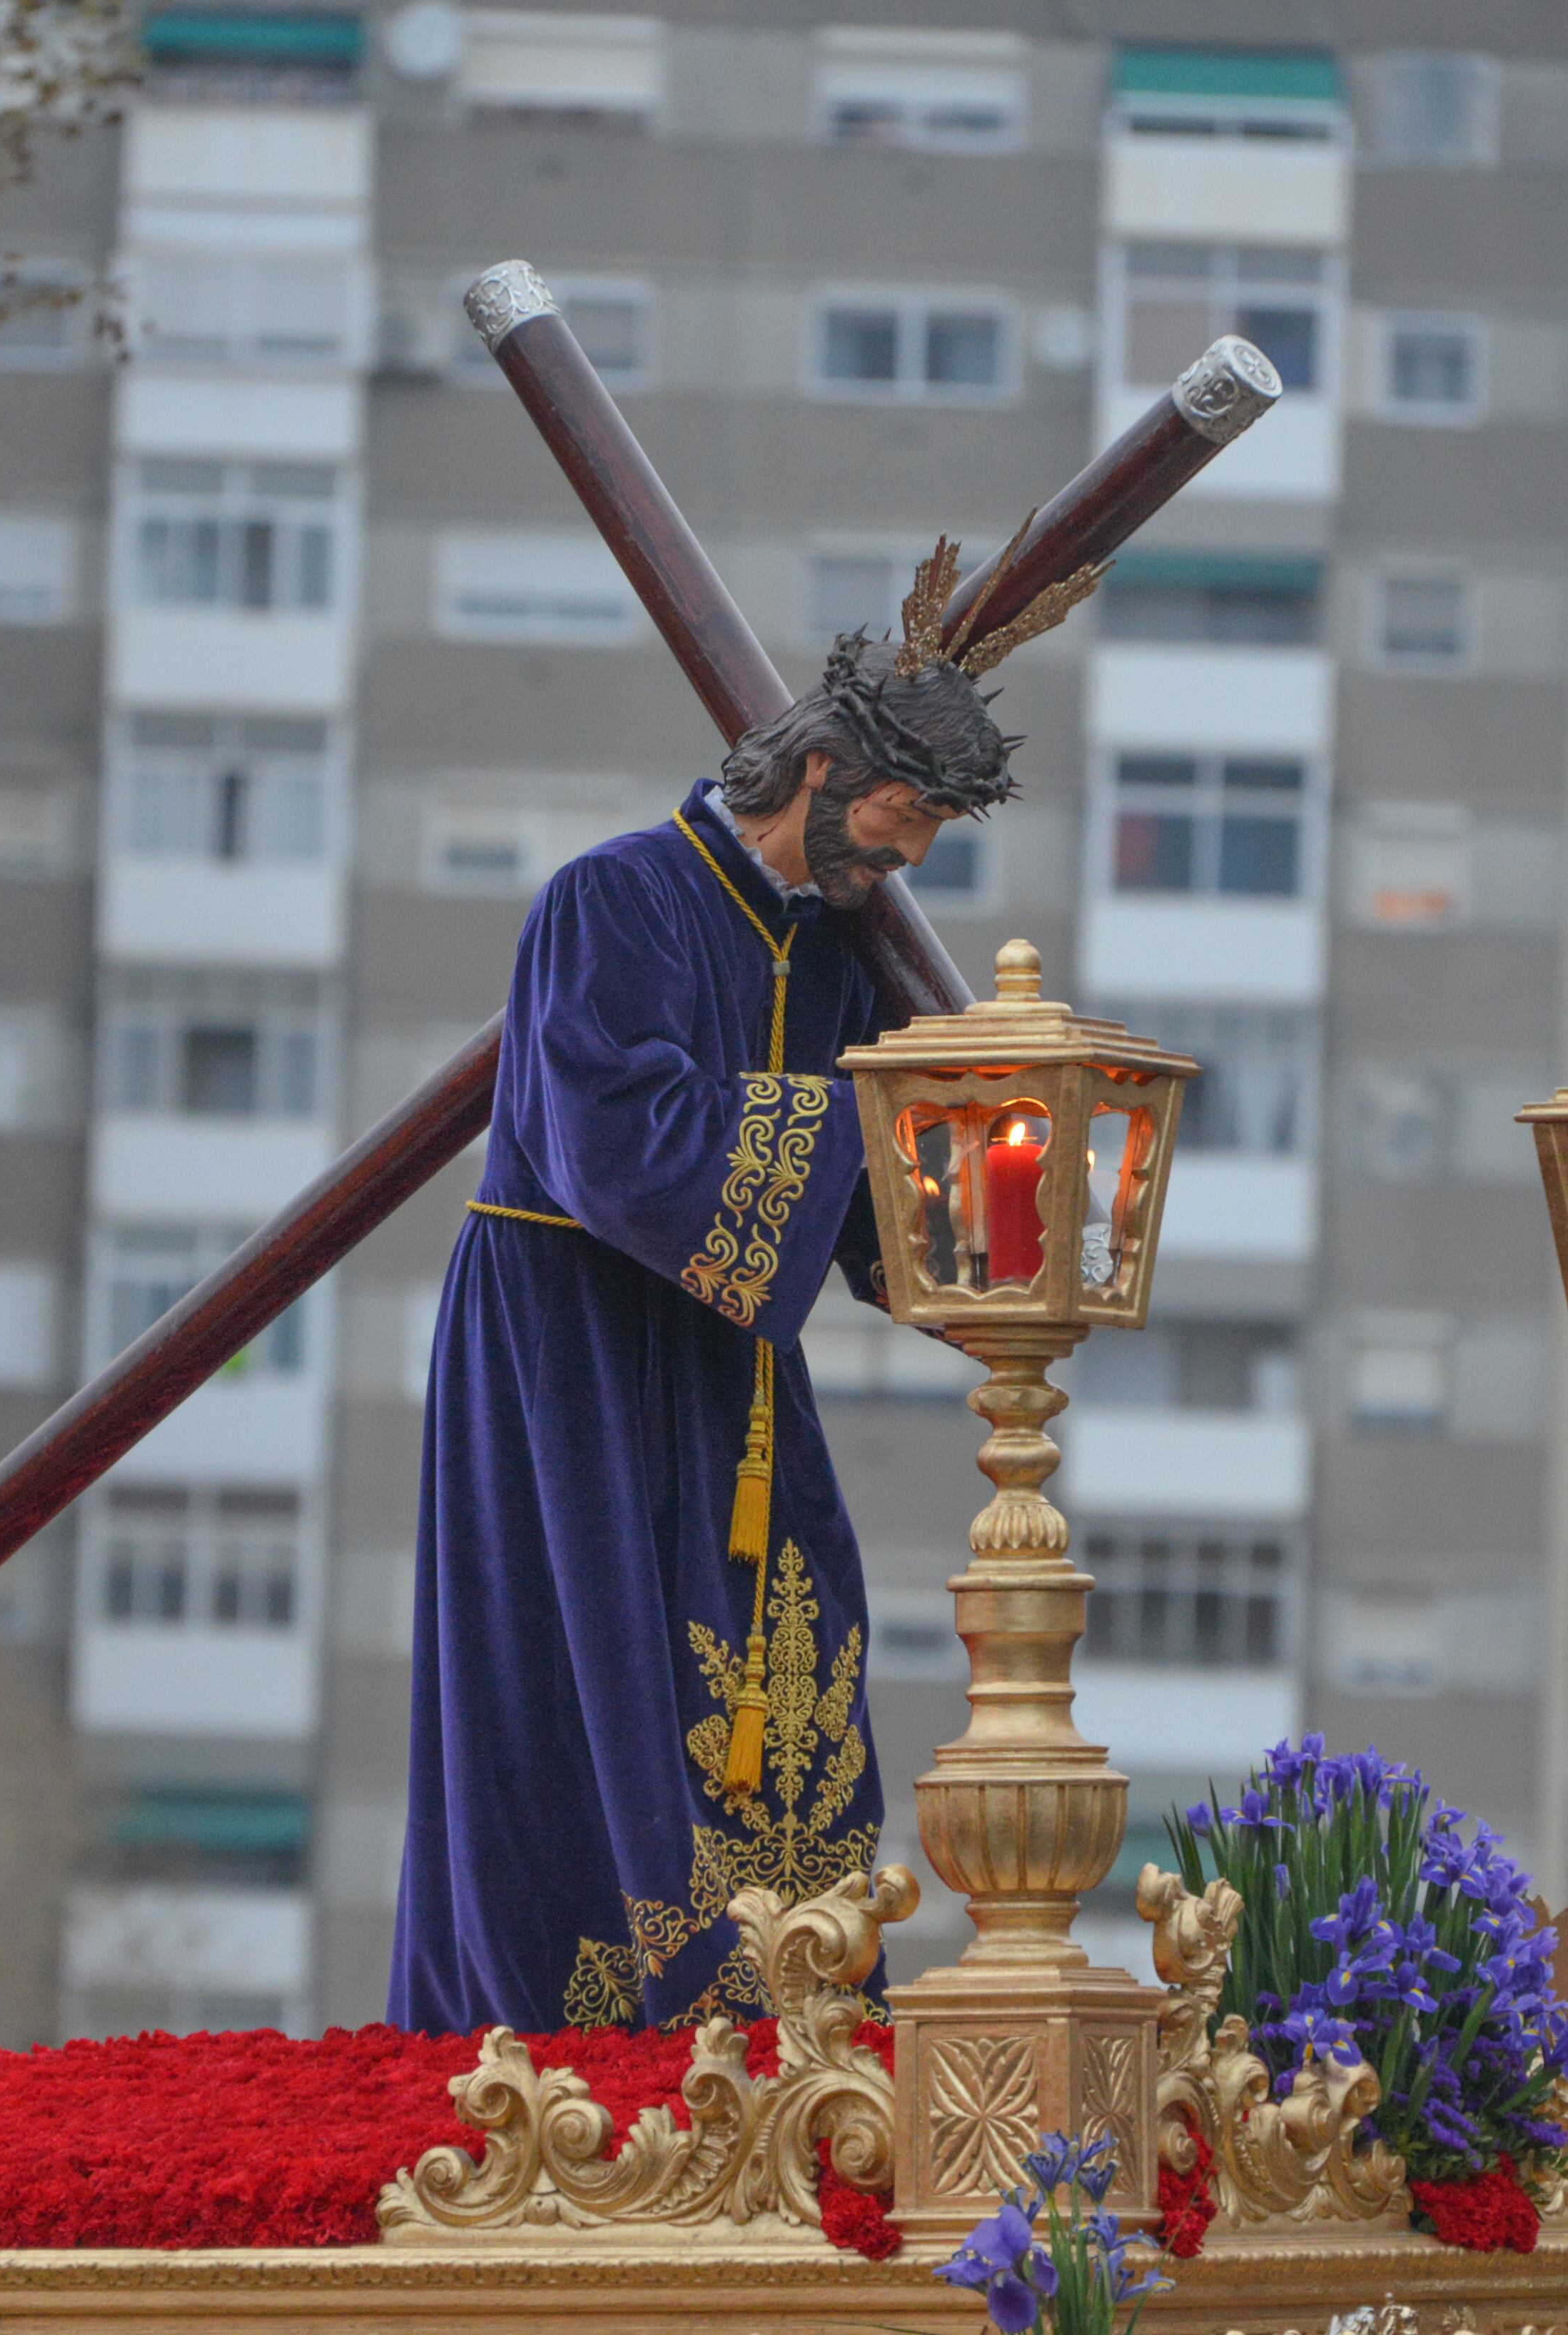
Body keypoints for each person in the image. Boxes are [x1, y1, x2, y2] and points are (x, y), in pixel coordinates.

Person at [389, 545, 1094, 2030]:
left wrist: (987, 1226)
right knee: (582, 1673)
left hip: (725, 1365)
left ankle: (784, 2001)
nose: (907, 865)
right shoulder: (609, 900)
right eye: (906, 822)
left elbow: (851, 1227)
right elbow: (622, 1147)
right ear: (824, 771)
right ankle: (576, 2030)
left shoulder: (834, 956)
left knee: (787, 1636)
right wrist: (877, 1122)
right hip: (569, 1350)